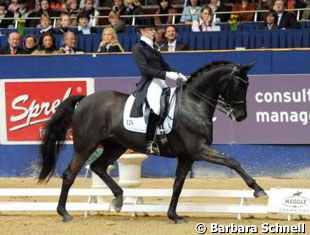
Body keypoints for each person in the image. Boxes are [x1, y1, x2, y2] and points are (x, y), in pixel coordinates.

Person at [131, 17, 187, 155]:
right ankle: (149, 142)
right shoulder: (138, 48)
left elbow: (165, 66)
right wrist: (167, 75)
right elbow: (145, 70)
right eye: (150, 30)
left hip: (161, 82)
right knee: (156, 107)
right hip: (150, 83)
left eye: (153, 29)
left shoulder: (154, 48)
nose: (153, 32)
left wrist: (178, 74)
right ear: (142, 31)